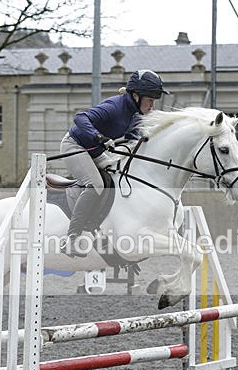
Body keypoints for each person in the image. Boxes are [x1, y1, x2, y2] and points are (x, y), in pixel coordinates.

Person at [59, 69, 169, 257]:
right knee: (96, 184)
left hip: (96, 151)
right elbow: (80, 118)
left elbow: (133, 138)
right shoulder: (114, 107)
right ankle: (72, 239)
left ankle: (104, 226)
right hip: (74, 146)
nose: (152, 106)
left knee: (121, 177)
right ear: (136, 96)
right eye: (150, 100)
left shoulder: (135, 114)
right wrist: (98, 136)